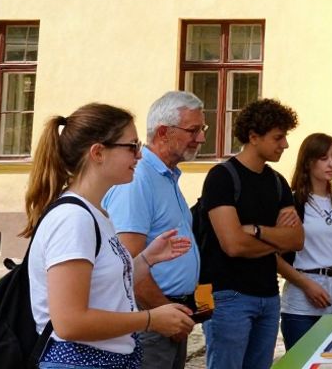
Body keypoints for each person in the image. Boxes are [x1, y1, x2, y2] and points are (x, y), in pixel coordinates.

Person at [24, 103, 196, 369]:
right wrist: (150, 319)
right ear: (98, 153)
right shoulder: (74, 219)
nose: (139, 156)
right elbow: (70, 322)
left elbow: (103, 285)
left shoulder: (95, 213)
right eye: (131, 146)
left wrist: (147, 259)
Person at [104, 91, 207, 369]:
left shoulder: (166, 176)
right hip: (150, 319)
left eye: (203, 129)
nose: (201, 138)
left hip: (168, 315)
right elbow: (127, 261)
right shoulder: (138, 179)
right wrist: (164, 313)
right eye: (193, 130)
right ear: (163, 132)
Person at [199, 99, 304, 369]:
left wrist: (256, 232)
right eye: (278, 138)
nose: (285, 145)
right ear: (254, 137)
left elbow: (296, 240)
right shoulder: (222, 177)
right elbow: (233, 244)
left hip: (268, 295)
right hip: (228, 296)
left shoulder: (277, 182)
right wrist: (275, 238)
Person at [277, 133, 332, 348]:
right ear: (309, 162)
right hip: (303, 293)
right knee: (304, 359)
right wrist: (306, 285)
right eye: (323, 157)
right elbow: (274, 256)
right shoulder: (293, 201)